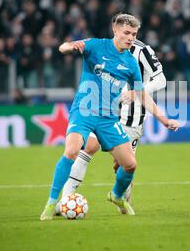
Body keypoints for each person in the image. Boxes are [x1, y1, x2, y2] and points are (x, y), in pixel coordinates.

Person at [40, 13, 179, 220]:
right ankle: (52, 204)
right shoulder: (96, 46)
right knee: (73, 150)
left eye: (133, 34)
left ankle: (117, 196)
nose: (131, 38)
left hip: (109, 118)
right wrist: (69, 47)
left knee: (129, 165)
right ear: (115, 30)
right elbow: (64, 47)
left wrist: (163, 119)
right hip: (85, 112)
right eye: (127, 33)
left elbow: (142, 94)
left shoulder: (132, 62)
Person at [56, 33, 167, 213]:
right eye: (125, 31)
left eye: (132, 32)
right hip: (103, 110)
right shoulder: (106, 46)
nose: (128, 36)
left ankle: (120, 199)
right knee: (89, 146)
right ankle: (64, 202)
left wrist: (136, 92)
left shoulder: (143, 51)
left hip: (131, 116)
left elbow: (161, 80)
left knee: (124, 165)